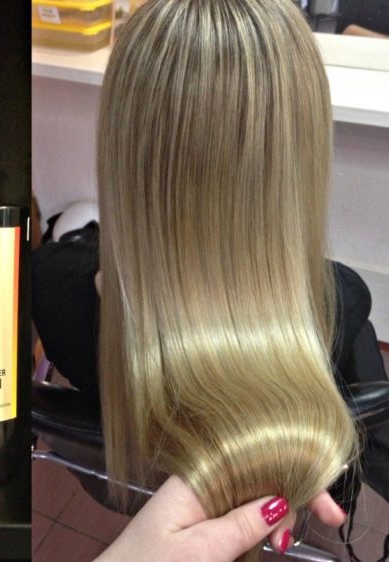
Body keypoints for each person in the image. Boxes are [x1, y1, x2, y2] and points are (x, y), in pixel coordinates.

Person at [32, 0, 389, 559]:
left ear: (123, 142)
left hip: (129, 491)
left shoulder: (51, 286)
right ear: (299, 155)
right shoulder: (340, 301)